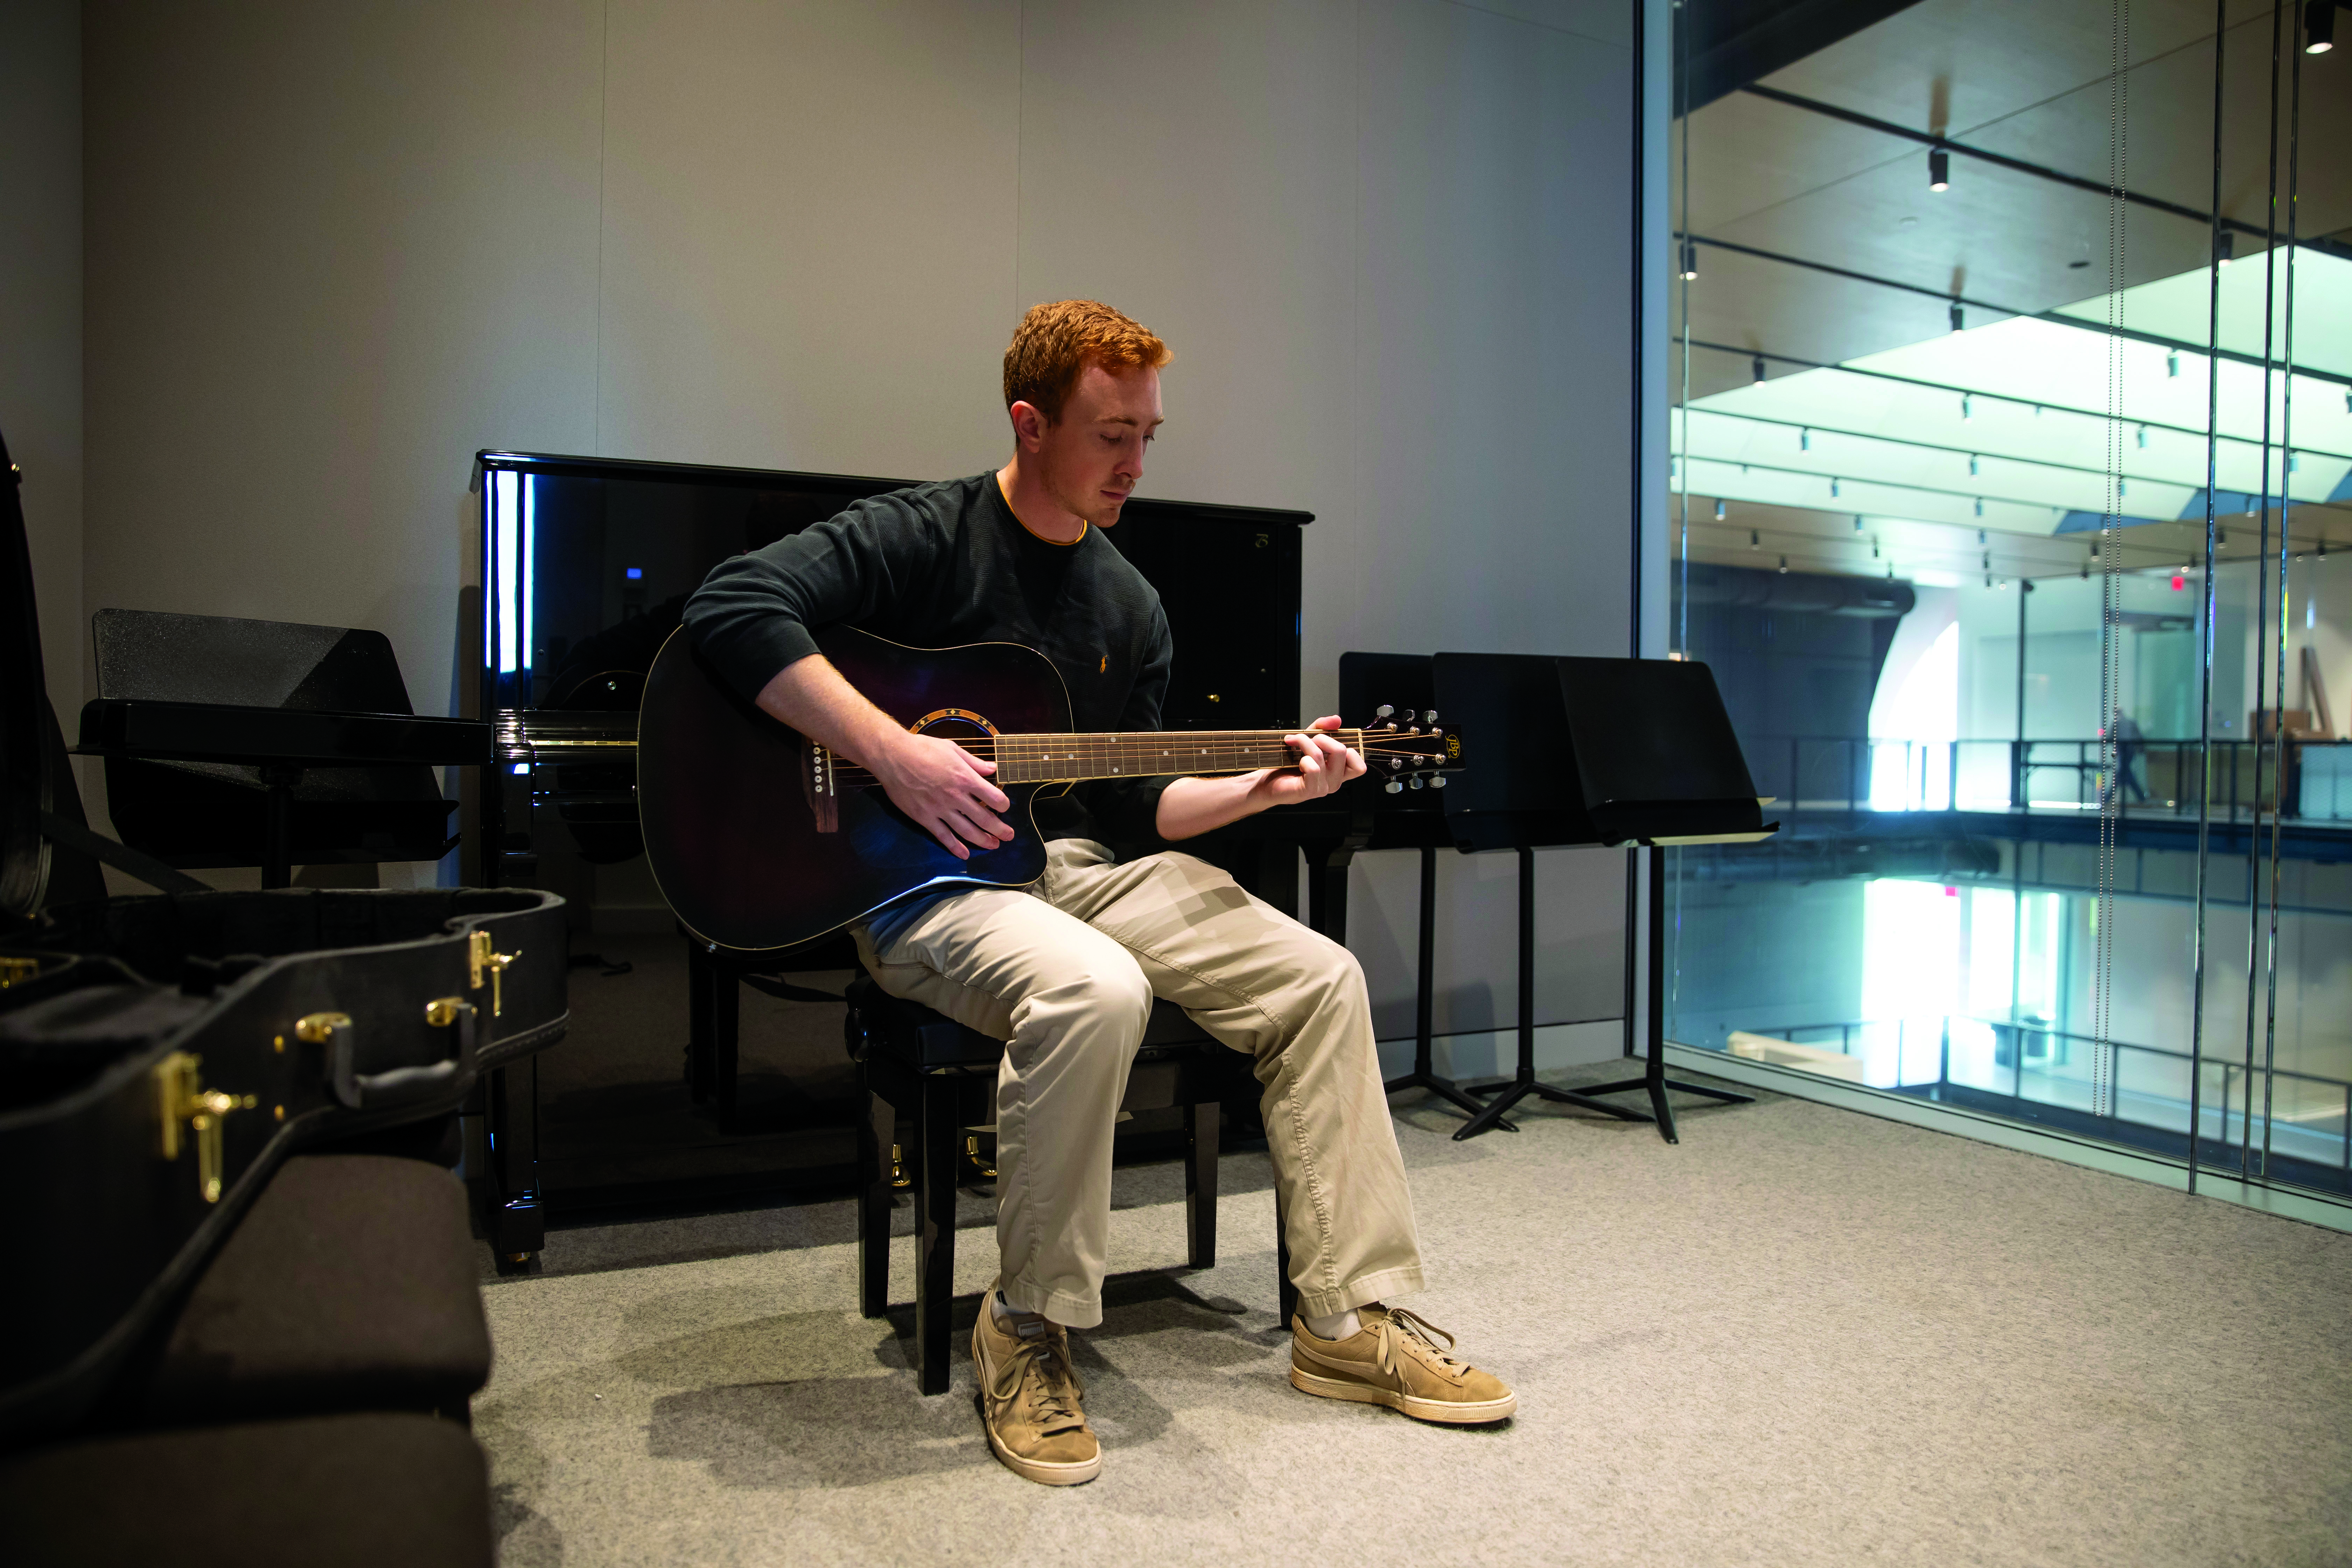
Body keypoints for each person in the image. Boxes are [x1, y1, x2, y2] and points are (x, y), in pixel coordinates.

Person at [683, 300, 1513, 1486]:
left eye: (1150, 437)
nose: (1134, 463)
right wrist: (895, 752)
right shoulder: (925, 538)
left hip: (1077, 868)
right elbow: (730, 608)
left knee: (1322, 977)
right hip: (924, 878)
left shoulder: (1128, 603)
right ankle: (1027, 1323)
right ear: (1030, 424)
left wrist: (1264, 793)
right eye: (1111, 434)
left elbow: (1135, 809)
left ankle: (1347, 1322)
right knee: (1097, 991)